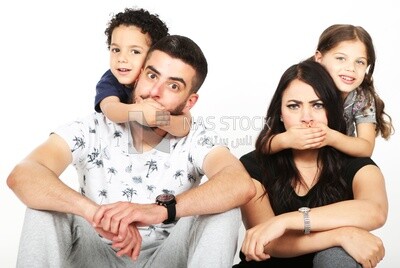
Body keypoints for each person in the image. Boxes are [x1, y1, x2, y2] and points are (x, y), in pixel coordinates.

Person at [7, 35, 256, 268]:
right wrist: (95, 213)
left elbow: (240, 184)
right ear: (138, 76)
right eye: (151, 76)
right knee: (44, 205)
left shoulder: (195, 138)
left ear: (189, 102)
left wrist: (158, 210)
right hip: (95, 254)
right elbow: (23, 175)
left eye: (173, 86)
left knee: (224, 207)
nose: (154, 92)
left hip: (166, 258)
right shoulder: (92, 128)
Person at [233, 60, 387, 268]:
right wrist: (341, 234)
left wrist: (285, 221)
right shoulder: (253, 164)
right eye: (294, 106)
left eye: (317, 105)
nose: (306, 118)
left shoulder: (357, 164)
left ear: (332, 112)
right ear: (280, 113)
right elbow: (267, 243)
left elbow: (374, 211)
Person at [264, 24, 394, 157]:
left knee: (369, 171)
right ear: (319, 58)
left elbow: (366, 148)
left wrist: (331, 137)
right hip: (300, 157)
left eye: (360, 62)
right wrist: (286, 139)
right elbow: (264, 144)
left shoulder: (361, 97)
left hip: (339, 161)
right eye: (340, 58)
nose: (351, 68)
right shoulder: (303, 83)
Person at [95, 7, 191, 137]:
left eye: (135, 51)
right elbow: (110, 109)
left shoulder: (162, 82)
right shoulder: (110, 80)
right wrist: (137, 112)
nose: (121, 59)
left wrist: (159, 119)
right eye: (116, 50)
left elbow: (185, 124)